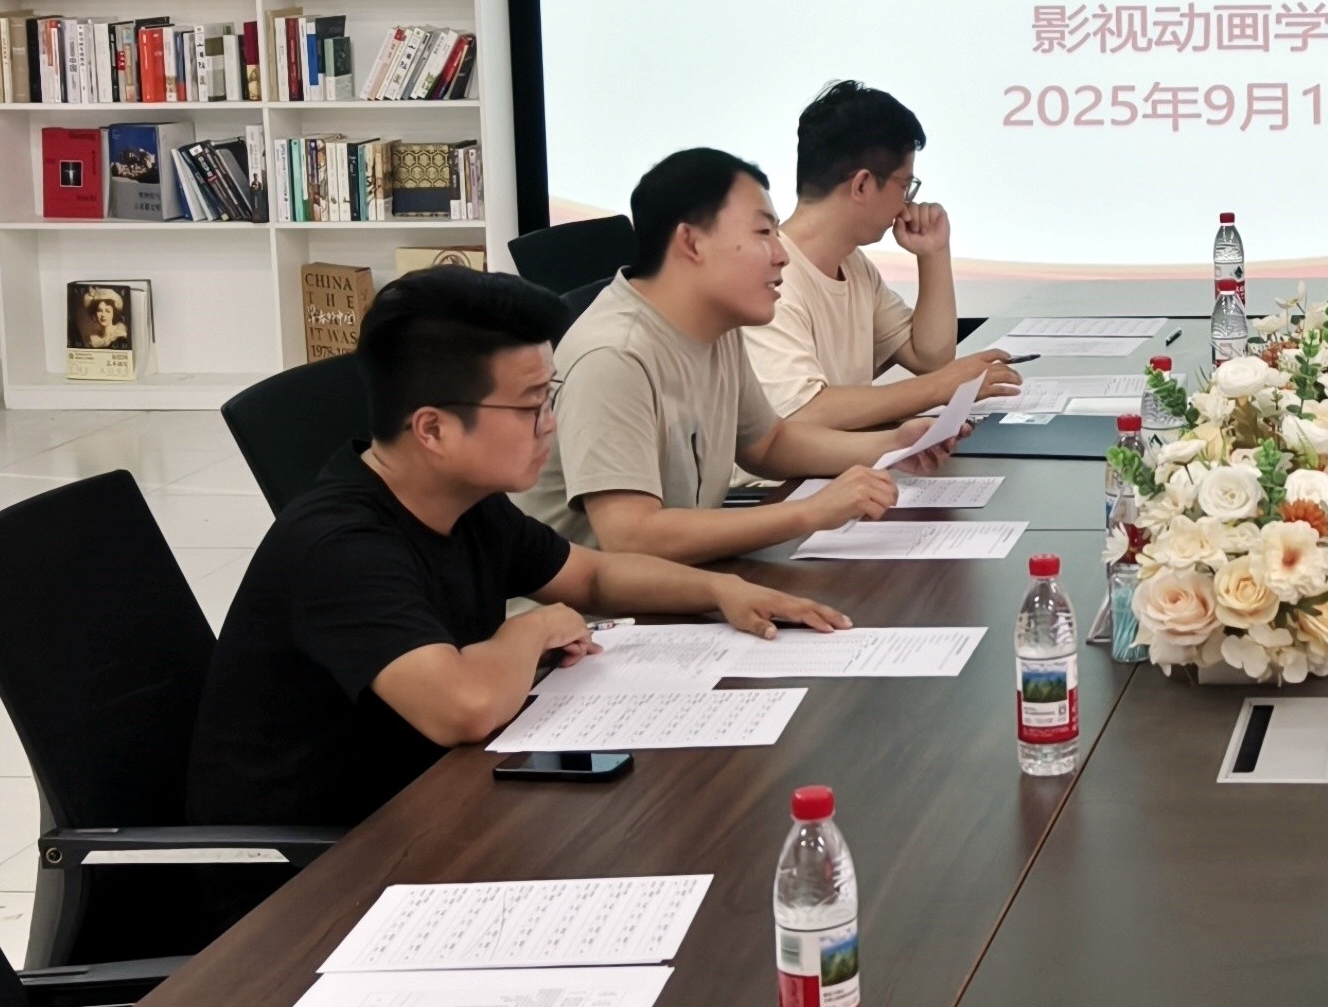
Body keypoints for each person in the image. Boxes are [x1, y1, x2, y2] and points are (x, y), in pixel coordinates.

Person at [189, 268, 849, 828]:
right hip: (304, 875)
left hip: (425, 806)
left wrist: (722, 590)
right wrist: (528, 631)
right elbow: (464, 707)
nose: (550, 425)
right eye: (532, 405)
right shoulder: (340, 548)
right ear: (433, 429)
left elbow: (591, 577)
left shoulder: (464, 499)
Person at [518, 148, 917, 559]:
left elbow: (767, 443)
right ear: (691, 243)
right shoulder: (614, 356)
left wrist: (895, 444)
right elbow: (631, 536)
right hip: (598, 599)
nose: (781, 254)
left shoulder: (716, 326)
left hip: (678, 578)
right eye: (763, 233)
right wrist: (809, 512)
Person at [745, 82, 1022, 432]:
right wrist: (941, 388)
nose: (906, 203)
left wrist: (933, 253)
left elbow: (930, 357)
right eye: (904, 186)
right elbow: (802, 413)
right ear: (862, 185)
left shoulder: (853, 264)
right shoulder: (771, 280)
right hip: (802, 471)